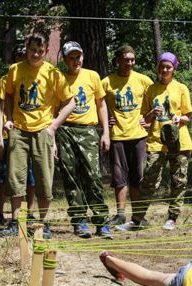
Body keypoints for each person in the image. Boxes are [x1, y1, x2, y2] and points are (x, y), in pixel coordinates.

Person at [0, 32, 75, 239]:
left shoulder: (53, 73)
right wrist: (7, 118)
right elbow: (7, 96)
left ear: (47, 51)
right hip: (19, 132)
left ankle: (43, 223)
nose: (36, 54)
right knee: (16, 178)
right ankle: (16, 223)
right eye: (32, 50)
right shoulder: (15, 70)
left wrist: (54, 126)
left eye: (40, 51)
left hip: (43, 131)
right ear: (26, 47)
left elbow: (71, 102)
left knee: (44, 178)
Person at [117, 52, 192, 231]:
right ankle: (136, 220)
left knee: (178, 180)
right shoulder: (151, 89)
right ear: (158, 67)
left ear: (174, 68)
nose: (164, 69)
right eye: (162, 66)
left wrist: (178, 118)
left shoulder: (181, 88)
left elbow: (188, 116)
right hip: (156, 141)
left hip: (178, 141)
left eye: (168, 66)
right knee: (149, 181)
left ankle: (172, 218)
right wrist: (152, 114)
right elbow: (145, 118)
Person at [57, 41, 112, 239]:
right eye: (71, 58)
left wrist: (105, 132)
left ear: (83, 57)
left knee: (93, 176)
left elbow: (101, 105)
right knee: (71, 176)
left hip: (88, 131)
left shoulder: (92, 76)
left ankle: (101, 221)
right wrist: (54, 140)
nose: (75, 61)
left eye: (78, 57)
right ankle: (79, 221)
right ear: (65, 60)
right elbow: (54, 109)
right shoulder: (59, 78)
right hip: (65, 131)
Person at [102, 45, 153, 226]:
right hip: (117, 137)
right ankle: (120, 214)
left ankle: (138, 216)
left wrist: (149, 120)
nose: (129, 63)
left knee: (137, 176)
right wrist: (105, 122)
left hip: (138, 136)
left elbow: (156, 102)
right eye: (126, 59)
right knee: (119, 176)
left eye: (132, 59)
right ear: (118, 60)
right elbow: (97, 104)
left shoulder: (144, 80)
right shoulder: (107, 82)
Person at [0, 45, 36, 227]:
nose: (20, 58)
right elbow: (0, 110)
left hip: (30, 132)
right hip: (10, 133)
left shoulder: (36, 75)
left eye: (22, 54)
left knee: (31, 176)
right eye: (17, 55)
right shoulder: (7, 79)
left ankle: (31, 212)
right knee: (7, 176)